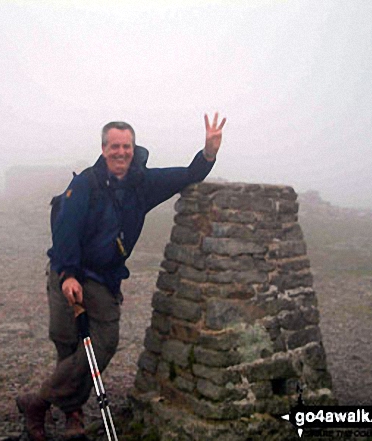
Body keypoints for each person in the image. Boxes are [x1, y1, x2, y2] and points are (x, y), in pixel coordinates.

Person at [16, 113, 227, 440]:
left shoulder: (143, 184)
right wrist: (68, 275)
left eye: (126, 147)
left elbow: (188, 175)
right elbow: (65, 230)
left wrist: (209, 152)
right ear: (103, 149)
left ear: (133, 149)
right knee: (67, 342)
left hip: (102, 278)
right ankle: (73, 415)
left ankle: (39, 402)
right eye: (114, 146)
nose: (121, 152)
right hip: (66, 271)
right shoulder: (85, 183)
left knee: (104, 343)